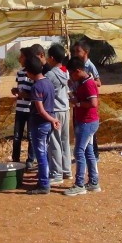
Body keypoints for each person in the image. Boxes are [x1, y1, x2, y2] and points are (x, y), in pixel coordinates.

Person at [64, 56, 101, 196]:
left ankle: (79, 184)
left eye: (72, 73)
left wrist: (77, 103)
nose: (72, 77)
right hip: (85, 121)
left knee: (79, 151)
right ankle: (93, 182)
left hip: (87, 122)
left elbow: (93, 103)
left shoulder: (88, 84)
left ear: (78, 71)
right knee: (88, 151)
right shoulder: (82, 82)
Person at [25, 56, 60, 195]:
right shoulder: (48, 83)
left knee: (40, 155)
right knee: (44, 152)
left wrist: (51, 120)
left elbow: (40, 110)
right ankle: (42, 180)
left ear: (30, 72)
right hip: (48, 123)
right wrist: (53, 120)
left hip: (40, 124)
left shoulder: (36, 87)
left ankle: (44, 185)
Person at [45, 44, 72, 184]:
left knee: (54, 142)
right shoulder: (65, 72)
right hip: (65, 110)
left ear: (52, 58)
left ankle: (56, 174)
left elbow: (46, 92)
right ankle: (67, 170)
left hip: (55, 111)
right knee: (64, 141)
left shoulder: (50, 74)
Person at [73, 38, 101, 160]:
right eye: (75, 51)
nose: (76, 54)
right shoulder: (77, 64)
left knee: (90, 132)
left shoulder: (90, 66)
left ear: (86, 52)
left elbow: (99, 82)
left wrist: (88, 82)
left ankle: (95, 154)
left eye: (78, 51)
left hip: (87, 99)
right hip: (80, 99)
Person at [11, 47, 35, 170]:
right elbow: (19, 87)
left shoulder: (35, 73)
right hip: (20, 109)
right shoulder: (20, 73)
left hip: (30, 109)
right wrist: (15, 91)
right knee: (17, 136)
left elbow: (37, 93)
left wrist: (26, 95)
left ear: (26, 57)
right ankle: (15, 160)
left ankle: (30, 160)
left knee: (31, 136)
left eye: (21, 56)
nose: (19, 58)